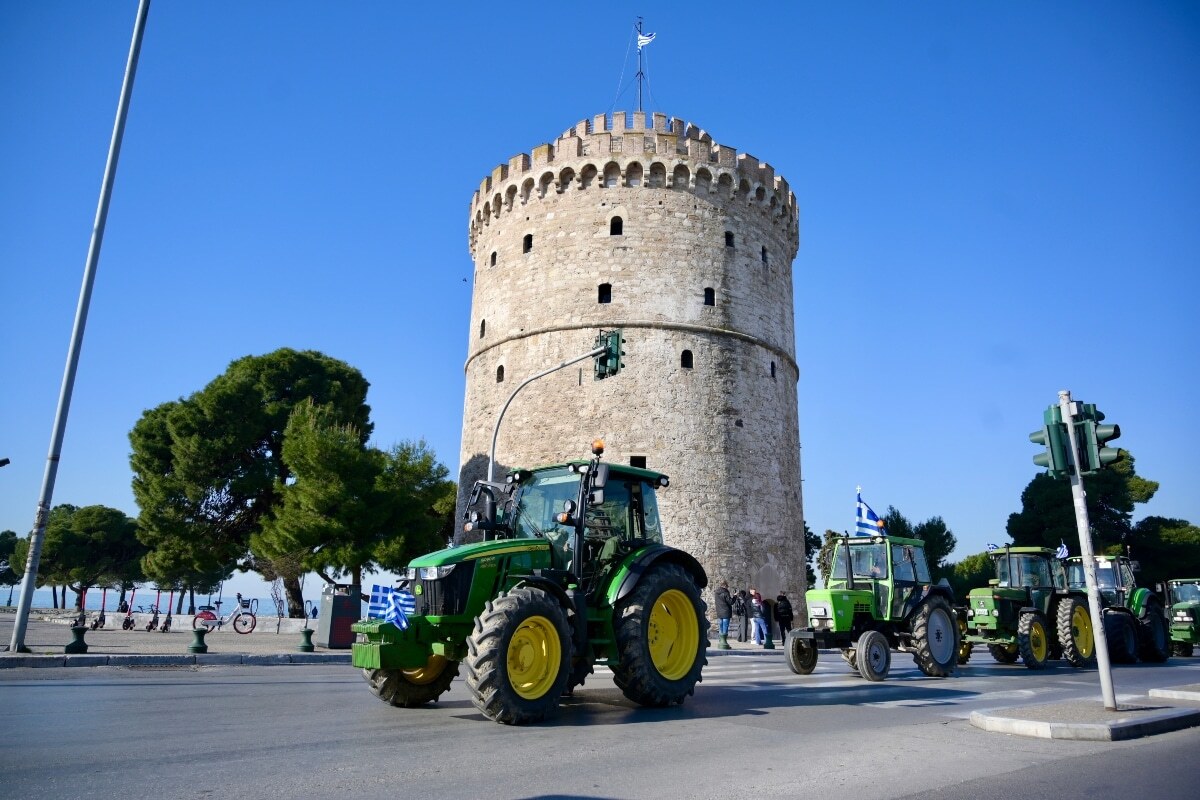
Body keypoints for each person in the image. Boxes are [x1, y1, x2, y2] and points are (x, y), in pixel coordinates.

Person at [713, 581, 733, 649]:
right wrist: (735, 596)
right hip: (726, 612)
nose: (727, 588)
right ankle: (724, 642)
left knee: (720, 627)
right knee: (725, 627)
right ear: (725, 586)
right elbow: (731, 602)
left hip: (719, 612)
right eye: (727, 586)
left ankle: (720, 641)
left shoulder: (716, 592)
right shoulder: (725, 592)